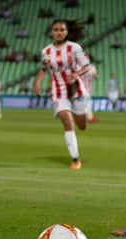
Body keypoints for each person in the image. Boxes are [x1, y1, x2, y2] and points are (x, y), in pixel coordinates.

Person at [34, 19, 90, 170]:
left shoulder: (74, 48)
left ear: (66, 32)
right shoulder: (45, 51)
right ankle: (75, 160)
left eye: (62, 30)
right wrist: (38, 82)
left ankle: (83, 118)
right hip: (58, 92)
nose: (58, 32)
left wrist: (76, 73)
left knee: (82, 125)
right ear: (52, 32)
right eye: (55, 30)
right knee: (67, 122)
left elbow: (86, 66)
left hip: (76, 90)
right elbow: (44, 68)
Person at [79, 53, 98, 123]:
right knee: (86, 103)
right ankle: (90, 118)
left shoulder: (91, 67)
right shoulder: (79, 66)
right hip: (80, 88)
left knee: (85, 103)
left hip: (88, 89)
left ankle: (89, 118)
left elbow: (96, 76)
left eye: (87, 57)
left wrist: (94, 75)